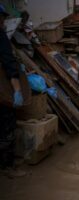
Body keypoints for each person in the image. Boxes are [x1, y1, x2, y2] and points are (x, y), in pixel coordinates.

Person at [0, 4, 26, 178]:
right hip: (2, 90)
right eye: (2, 18)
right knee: (6, 125)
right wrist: (17, 90)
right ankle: (6, 167)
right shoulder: (0, 36)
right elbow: (9, 63)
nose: (4, 21)